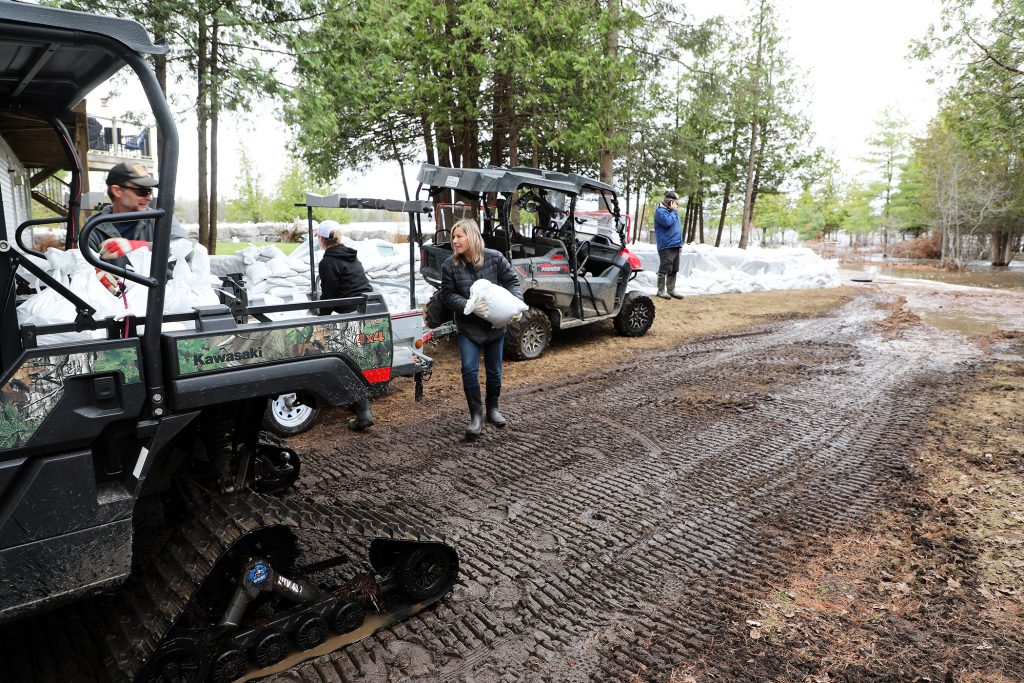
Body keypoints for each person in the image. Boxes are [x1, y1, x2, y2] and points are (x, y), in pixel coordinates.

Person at [440, 219, 524, 440]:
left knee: (494, 370)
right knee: (469, 369)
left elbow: (513, 281)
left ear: (472, 236)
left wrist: (515, 304)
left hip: (494, 326)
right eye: (453, 237)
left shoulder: (495, 258)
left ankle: (493, 409)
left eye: (459, 236)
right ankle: (476, 416)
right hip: (468, 327)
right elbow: (447, 295)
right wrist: (469, 306)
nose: (454, 241)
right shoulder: (450, 265)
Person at [88, 161, 188, 292]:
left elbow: (186, 247)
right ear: (117, 190)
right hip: (113, 304)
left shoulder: (160, 218)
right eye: (142, 191)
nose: (149, 197)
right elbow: (78, 264)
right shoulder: (93, 227)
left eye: (150, 191)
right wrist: (93, 273)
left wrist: (138, 246)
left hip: (160, 300)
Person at [316, 220, 376, 432]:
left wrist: (319, 319)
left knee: (347, 363)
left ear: (322, 239)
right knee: (357, 360)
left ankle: (363, 412)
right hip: (366, 309)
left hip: (350, 314)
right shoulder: (350, 255)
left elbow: (329, 297)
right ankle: (360, 408)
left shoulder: (328, 262)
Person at [653, 190, 684, 300]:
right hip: (667, 245)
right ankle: (661, 290)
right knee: (665, 268)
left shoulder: (672, 212)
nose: (677, 205)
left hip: (675, 245)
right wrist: (673, 211)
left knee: (674, 268)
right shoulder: (660, 212)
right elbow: (667, 222)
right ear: (670, 202)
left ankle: (671, 290)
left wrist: (680, 244)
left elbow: (677, 229)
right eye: (675, 202)